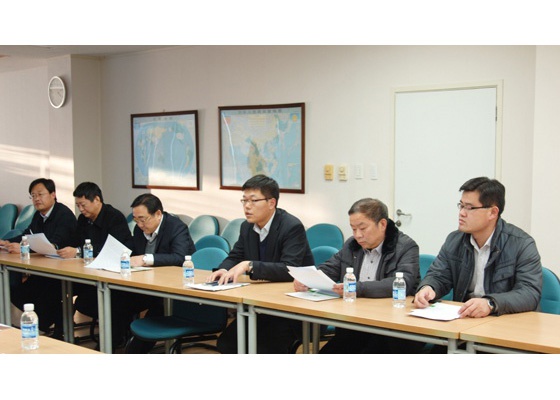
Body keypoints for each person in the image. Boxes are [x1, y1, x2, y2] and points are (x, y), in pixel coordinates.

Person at [294, 198, 422, 353]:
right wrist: (308, 278)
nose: (357, 235)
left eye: (362, 228)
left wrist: (356, 288)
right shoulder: (352, 244)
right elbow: (331, 266)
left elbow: (403, 282)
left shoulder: (406, 247)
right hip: (355, 323)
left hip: (391, 330)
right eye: (353, 229)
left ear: (382, 224)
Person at [208, 174, 315, 354]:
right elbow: (236, 255)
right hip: (260, 304)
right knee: (227, 344)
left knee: (263, 348)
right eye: (244, 200)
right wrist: (223, 269)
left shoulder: (291, 226)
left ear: (271, 203)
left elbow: (290, 269)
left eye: (253, 200)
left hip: (290, 309)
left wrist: (249, 265)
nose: (247, 206)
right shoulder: (247, 227)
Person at [414, 177, 542, 319]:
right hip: (466, 319)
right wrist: (428, 287)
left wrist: (490, 304)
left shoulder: (522, 244)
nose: (462, 213)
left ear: (493, 212)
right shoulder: (454, 240)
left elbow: (529, 293)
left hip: (504, 320)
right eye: (461, 205)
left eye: (469, 208)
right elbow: (439, 275)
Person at [56, 182, 133, 345]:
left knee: (109, 301)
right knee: (55, 286)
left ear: (97, 199)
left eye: (83, 205)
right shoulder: (83, 220)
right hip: (89, 271)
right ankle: (60, 331)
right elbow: (76, 241)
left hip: (113, 274)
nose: (80, 209)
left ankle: (112, 340)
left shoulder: (114, 217)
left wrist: (78, 251)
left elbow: (114, 247)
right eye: (78, 205)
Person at [0, 178, 78, 338]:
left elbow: (55, 244)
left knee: (43, 292)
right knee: (15, 291)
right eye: (33, 196)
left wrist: (24, 247)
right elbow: (28, 234)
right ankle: (49, 322)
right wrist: (7, 242)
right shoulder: (39, 215)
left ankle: (54, 324)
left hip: (65, 271)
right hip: (45, 269)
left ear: (53, 194)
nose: (36, 199)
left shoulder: (63, 215)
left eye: (40, 194)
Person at [124, 193, 196, 353]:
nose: (139, 224)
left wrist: (146, 259)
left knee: (155, 312)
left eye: (143, 219)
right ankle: (115, 342)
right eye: (136, 220)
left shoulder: (176, 227)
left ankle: (133, 353)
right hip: (146, 284)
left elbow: (179, 257)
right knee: (117, 300)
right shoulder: (139, 229)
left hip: (173, 289)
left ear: (158, 214)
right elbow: (133, 252)